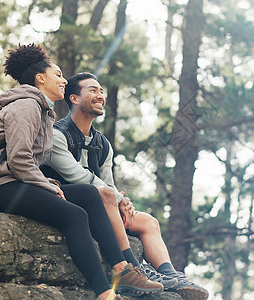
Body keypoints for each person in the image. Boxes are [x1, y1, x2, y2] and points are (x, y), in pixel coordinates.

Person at [0, 44, 162, 300]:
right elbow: (19, 160)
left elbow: (26, 165)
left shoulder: (42, 110)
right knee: (74, 216)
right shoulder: (26, 106)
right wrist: (49, 186)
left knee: (90, 194)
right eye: (57, 74)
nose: (63, 80)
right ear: (40, 78)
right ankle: (105, 294)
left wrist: (48, 184)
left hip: (12, 181)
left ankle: (122, 269)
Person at [40, 72, 209, 300]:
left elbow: (108, 183)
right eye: (92, 90)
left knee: (148, 221)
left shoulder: (102, 144)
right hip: (65, 200)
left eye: (101, 91)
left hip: (100, 205)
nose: (100, 95)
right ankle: (132, 268)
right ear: (74, 98)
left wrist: (123, 203)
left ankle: (172, 276)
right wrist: (117, 199)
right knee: (105, 195)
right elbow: (76, 175)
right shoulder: (56, 134)